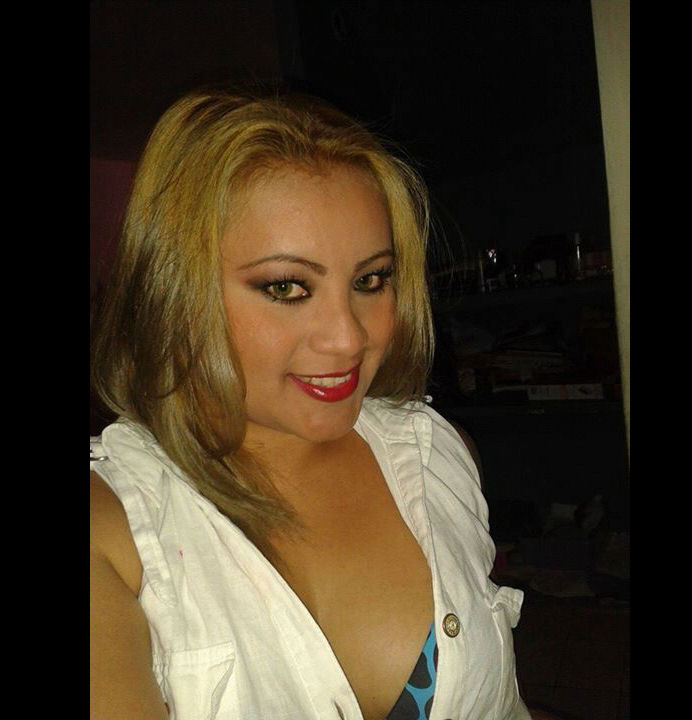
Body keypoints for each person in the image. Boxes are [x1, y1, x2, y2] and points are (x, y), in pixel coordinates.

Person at [90, 89, 540, 720]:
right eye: (286, 287)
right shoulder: (113, 532)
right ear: (175, 293)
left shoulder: (435, 452)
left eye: (370, 280)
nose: (349, 339)